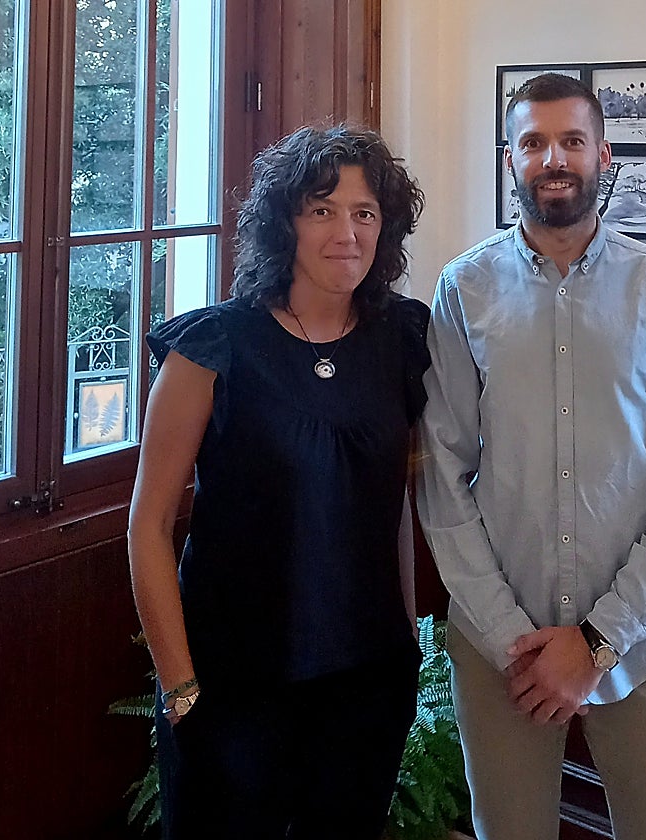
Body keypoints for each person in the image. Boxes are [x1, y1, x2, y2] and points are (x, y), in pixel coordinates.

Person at [417, 73, 646, 839]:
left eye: (571, 141)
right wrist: (509, 639)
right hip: (502, 650)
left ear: (603, 155)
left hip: (645, 642)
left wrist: (597, 641)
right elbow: (443, 478)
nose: (553, 159)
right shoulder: (463, 289)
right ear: (510, 159)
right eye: (533, 143)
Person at [127, 124, 429, 839]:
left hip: (366, 684)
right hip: (231, 689)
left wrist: (408, 649)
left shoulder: (404, 338)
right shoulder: (213, 346)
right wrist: (180, 687)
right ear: (283, 223)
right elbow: (148, 527)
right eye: (322, 210)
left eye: (364, 213)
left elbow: (398, 506)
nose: (346, 234)